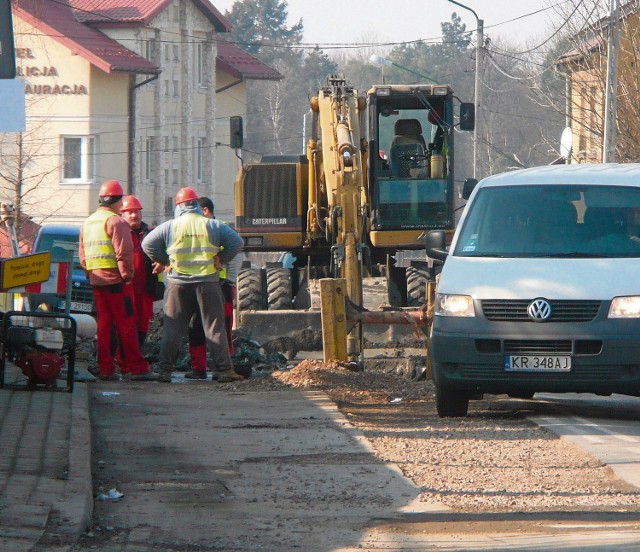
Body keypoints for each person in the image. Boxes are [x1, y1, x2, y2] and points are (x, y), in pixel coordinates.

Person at [141, 187, 244, 383]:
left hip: (178, 283)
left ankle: (164, 372)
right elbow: (237, 243)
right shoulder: (212, 225)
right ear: (196, 204)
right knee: (214, 327)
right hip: (208, 282)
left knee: (173, 329)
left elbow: (147, 244)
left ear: (179, 206)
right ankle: (224, 370)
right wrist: (221, 258)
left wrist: (164, 260)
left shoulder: (170, 226)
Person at [79, 179, 156, 381]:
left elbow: (83, 255)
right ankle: (136, 368)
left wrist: (90, 274)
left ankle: (106, 368)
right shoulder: (116, 222)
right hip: (116, 283)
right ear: (117, 201)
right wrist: (127, 276)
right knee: (127, 324)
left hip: (97, 282)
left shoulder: (89, 222)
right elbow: (124, 253)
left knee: (104, 325)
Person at [185, 196, 242, 379]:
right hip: (198, 283)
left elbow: (235, 254)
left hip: (221, 285)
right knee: (195, 327)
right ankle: (198, 368)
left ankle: (224, 368)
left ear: (205, 211)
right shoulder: (196, 230)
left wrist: (229, 281)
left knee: (222, 327)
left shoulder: (220, 229)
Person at [119, 195, 163, 348]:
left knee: (143, 324)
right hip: (125, 288)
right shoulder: (119, 233)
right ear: (122, 215)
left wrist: (162, 262)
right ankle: (126, 356)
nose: (134, 215)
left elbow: (163, 253)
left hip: (146, 289)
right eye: (130, 212)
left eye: (137, 211)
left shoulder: (150, 232)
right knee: (126, 323)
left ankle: (138, 352)